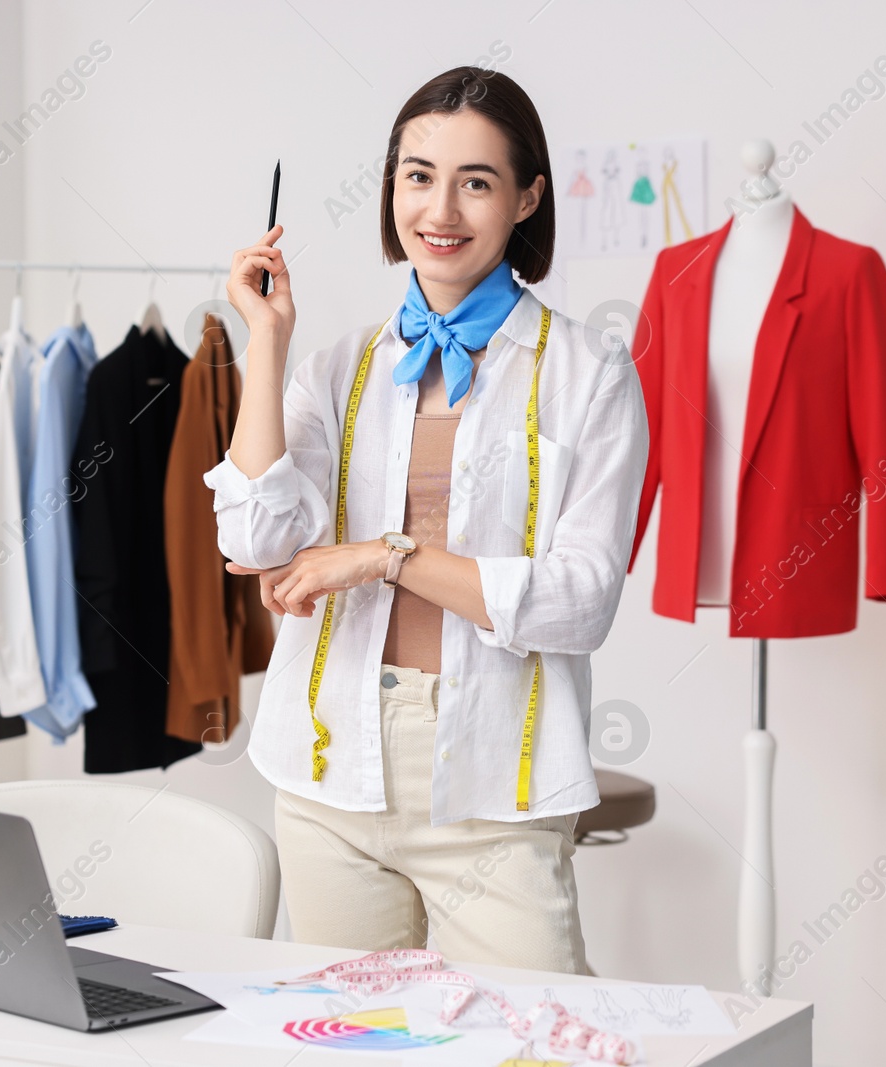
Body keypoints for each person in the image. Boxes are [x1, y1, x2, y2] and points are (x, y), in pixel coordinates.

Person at [202, 65, 648, 976]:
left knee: (535, 1038)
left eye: (475, 181)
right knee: (351, 1040)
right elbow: (253, 539)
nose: (440, 208)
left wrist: (381, 557)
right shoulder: (335, 366)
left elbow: (581, 600)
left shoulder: (587, 372)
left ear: (527, 197)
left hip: (495, 780)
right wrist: (267, 337)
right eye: (418, 175)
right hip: (329, 772)